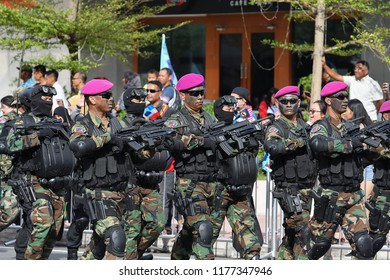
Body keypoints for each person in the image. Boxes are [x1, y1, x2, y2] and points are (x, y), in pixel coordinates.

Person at [3, 85, 75, 260]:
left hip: (58, 182)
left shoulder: (56, 121)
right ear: (34, 101)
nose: (48, 102)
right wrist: (38, 135)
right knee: (43, 222)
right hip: (33, 181)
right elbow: (11, 145)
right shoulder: (23, 122)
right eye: (44, 99)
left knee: (55, 229)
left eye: (50, 99)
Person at [307, 81, 372, 259]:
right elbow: (317, 144)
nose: (345, 101)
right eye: (341, 97)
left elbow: (362, 158)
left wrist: (375, 149)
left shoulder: (351, 127)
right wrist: (350, 144)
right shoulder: (321, 126)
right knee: (315, 247)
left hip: (353, 195)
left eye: (346, 97)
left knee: (364, 245)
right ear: (328, 101)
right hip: (331, 196)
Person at [69, 79, 131, 260]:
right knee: (115, 236)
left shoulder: (119, 124)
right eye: (106, 95)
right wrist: (107, 138)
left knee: (98, 246)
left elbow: (139, 154)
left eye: (111, 95)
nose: (111, 99)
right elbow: (78, 146)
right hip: (97, 191)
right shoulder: (83, 125)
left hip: (121, 191)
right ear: (93, 100)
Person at [164, 73, 218, 260]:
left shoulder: (210, 118)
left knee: (191, 228)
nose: (200, 96)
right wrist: (202, 141)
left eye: (202, 92)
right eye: (195, 93)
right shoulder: (175, 119)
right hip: (189, 183)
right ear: (182, 95)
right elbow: (172, 142)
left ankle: (178, 258)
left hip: (211, 182)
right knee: (203, 230)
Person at [263, 86, 317, 260]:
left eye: (292, 101)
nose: (288, 104)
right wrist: (297, 142)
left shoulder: (305, 126)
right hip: (288, 189)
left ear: (298, 102)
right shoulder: (276, 127)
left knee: (293, 232)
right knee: (303, 229)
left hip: (307, 187)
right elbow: (273, 147)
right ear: (277, 104)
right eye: (284, 101)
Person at [210, 95, 263, 259]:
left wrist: (251, 139)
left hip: (239, 190)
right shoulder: (211, 132)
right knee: (206, 237)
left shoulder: (239, 127)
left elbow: (251, 153)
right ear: (219, 110)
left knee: (250, 239)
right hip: (218, 190)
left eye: (233, 108)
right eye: (227, 108)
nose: (231, 111)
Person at [121, 87, 166, 260]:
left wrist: (162, 142)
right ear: (127, 103)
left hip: (149, 183)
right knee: (132, 228)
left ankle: (135, 253)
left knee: (158, 223)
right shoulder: (121, 124)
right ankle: (130, 261)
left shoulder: (149, 124)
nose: (141, 103)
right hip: (130, 183)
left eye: (143, 100)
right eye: (136, 101)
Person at [322, 57, 383, 121]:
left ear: (366, 71)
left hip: (370, 118)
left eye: (359, 68)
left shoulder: (373, 84)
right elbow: (337, 77)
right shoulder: (352, 80)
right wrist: (324, 65)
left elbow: (380, 101)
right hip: (354, 118)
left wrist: (374, 113)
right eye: (355, 68)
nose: (356, 70)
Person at [366, 100, 390, 258]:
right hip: (383, 193)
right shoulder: (377, 134)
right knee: (377, 235)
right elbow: (380, 151)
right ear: (386, 115)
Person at [0, 96, 20, 232]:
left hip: (6, 170)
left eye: (3, 108)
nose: (2, 111)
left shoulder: (5, 121)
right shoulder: (25, 120)